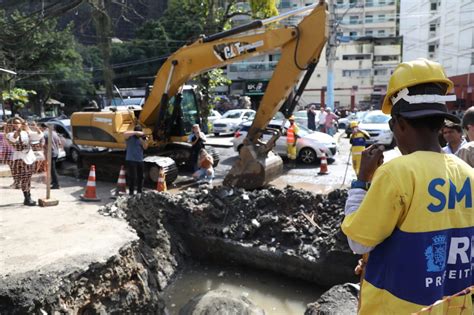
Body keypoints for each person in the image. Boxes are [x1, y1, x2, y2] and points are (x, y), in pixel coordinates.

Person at [341, 59, 473, 314]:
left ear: (399, 123)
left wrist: (361, 181)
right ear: (440, 124)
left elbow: (358, 241)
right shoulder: (469, 174)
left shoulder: (397, 173)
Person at [6, 117, 43, 206]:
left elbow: (39, 135)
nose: (16, 124)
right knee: (24, 178)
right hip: (20, 158)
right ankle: (27, 198)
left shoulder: (26, 132)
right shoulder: (10, 134)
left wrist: (35, 127)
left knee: (28, 178)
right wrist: (19, 130)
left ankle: (28, 197)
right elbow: (14, 138)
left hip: (29, 157)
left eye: (18, 123)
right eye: (15, 123)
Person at [123, 125, 148, 195]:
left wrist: (142, 140)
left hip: (139, 160)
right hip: (131, 159)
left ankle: (139, 191)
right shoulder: (129, 137)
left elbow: (145, 147)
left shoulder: (142, 139)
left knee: (141, 176)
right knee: (133, 177)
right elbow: (124, 134)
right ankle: (131, 192)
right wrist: (135, 133)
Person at [41, 123, 63, 189]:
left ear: (43, 127)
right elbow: (60, 143)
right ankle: (53, 181)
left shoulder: (44, 134)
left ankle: (56, 184)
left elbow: (42, 144)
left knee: (52, 170)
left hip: (50, 153)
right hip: (56, 153)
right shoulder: (54, 133)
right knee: (53, 169)